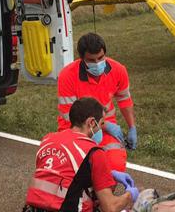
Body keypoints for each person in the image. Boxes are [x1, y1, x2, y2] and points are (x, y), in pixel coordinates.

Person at [24, 97, 138, 212]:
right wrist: (130, 195)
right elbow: (110, 207)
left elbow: (67, 173)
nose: (101, 129)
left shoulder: (48, 140)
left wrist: (109, 174)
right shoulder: (94, 151)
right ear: (92, 122)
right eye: (101, 123)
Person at [57, 32, 137, 172]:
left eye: (101, 58)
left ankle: (105, 193)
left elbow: (124, 99)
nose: (97, 63)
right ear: (82, 59)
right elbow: (70, 116)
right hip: (76, 129)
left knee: (115, 165)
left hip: (104, 127)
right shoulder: (67, 76)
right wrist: (104, 126)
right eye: (92, 60)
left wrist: (132, 127)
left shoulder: (118, 70)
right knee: (81, 169)